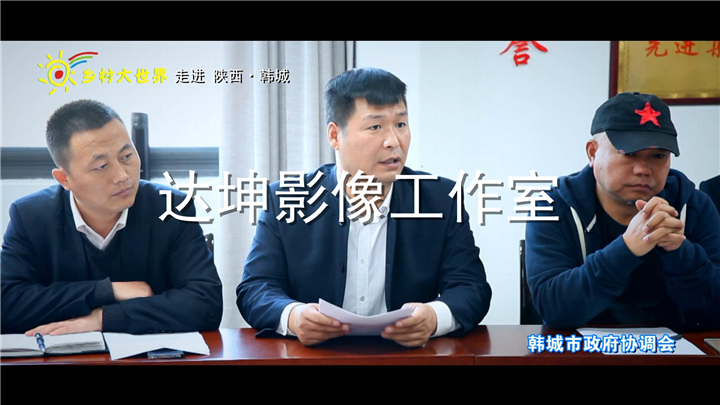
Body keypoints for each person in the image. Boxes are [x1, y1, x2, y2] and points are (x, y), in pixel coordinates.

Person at [237, 68, 492, 347]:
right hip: (315, 357)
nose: (393, 141)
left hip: (410, 357)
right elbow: (256, 288)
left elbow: (471, 287)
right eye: (375, 127)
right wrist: (294, 316)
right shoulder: (286, 199)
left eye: (401, 124)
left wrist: (434, 317)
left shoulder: (440, 200)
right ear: (335, 135)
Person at [1, 100, 223, 335]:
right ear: (64, 179)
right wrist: (104, 290)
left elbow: (205, 303)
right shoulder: (31, 217)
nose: (122, 175)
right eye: (101, 166)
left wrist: (105, 318)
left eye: (126, 156)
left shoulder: (171, 208)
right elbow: (7, 304)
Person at [526, 92, 720, 330]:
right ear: (593, 153)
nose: (643, 169)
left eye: (658, 155)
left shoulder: (694, 206)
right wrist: (627, 248)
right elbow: (554, 309)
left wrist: (680, 251)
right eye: (628, 153)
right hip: (578, 349)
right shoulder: (552, 206)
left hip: (674, 349)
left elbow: (714, 310)